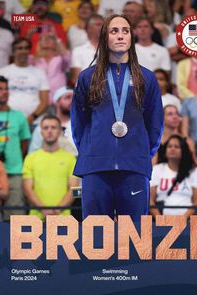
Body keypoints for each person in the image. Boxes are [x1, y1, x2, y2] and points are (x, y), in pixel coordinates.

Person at [70, 14, 164, 220]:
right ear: (105, 38)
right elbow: (78, 122)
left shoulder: (147, 77)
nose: (120, 36)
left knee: (133, 238)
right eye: (114, 31)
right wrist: (91, 151)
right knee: (95, 239)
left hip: (134, 166)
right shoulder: (87, 77)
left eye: (125, 31)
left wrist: (140, 155)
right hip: (96, 166)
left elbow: (155, 123)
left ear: (131, 37)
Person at [23, 114, 78, 220]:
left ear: (59, 131)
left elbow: (74, 189)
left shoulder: (71, 159)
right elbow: (27, 189)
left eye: (53, 127)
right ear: (41, 132)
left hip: (63, 219)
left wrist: (57, 210)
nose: (49, 131)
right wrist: (43, 209)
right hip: (36, 220)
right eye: (45, 127)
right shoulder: (30, 158)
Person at [0, 75, 31, 221]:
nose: (4, 92)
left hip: (14, 172)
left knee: (16, 220)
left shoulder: (19, 117)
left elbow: (24, 143)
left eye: (6, 89)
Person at [150, 134, 197, 218]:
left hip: (188, 222)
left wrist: (182, 220)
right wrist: (160, 220)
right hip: (161, 222)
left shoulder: (194, 172)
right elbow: (150, 200)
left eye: (177, 147)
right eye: (169, 146)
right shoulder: (156, 170)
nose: (172, 149)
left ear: (183, 150)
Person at [0, 37, 49, 126]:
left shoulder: (40, 72)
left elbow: (44, 102)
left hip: (34, 123)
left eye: (26, 48)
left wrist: (30, 119)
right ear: (13, 52)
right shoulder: (2, 72)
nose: (23, 51)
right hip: (9, 122)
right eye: (20, 48)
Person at [29, 86, 77, 156]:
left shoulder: (81, 126)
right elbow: (32, 154)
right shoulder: (43, 126)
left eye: (74, 98)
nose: (72, 101)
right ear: (57, 102)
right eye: (67, 97)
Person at [33, 33, 70, 104]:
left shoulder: (60, 58)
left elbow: (67, 57)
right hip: (40, 100)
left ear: (55, 42)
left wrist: (57, 39)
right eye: (43, 38)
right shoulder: (34, 60)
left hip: (58, 99)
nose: (46, 40)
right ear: (39, 43)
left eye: (50, 38)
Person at [70, 14, 104, 85]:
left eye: (104, 25)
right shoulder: (78, 51)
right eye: (98, 25)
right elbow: (76, 79)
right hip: (86, 92)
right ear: (89, 28)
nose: (102, 27)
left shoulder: (111, 50)